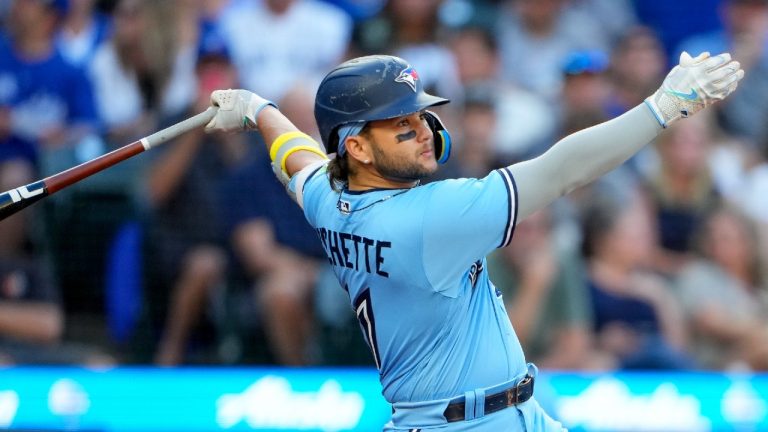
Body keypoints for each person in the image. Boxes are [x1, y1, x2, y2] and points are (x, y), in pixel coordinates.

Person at [202, 52, 743, 430]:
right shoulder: (431, 215)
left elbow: (296, 156)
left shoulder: (329, 198)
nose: (423, 129)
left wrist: (257, 110)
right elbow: (563, 171)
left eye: (421, 114)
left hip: (502, 415)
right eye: (400, 124)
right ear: (359, 148)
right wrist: (665, 108)